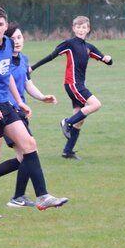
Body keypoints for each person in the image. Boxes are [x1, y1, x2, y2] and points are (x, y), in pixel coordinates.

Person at [0, 7, 68, 218]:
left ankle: (42, 197)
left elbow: (8, 75)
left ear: (5, 25)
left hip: (6, 105)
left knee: (29, 144)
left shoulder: (9, 44)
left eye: (1, 24)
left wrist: (20, 101)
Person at [31, 15, 113, 160]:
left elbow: (105, 61)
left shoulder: (89, 47)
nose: (81, 30)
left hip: (79, 84)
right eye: (78, 27)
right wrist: (33, 67)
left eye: (84, 27)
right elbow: (51, 56)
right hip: (73, 84)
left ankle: (67, 151)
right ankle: (66, 122)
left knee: (80, 120)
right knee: (96, 104)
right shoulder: (70, 43)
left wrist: (108, 59)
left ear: (88, 29)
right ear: (73, 28)